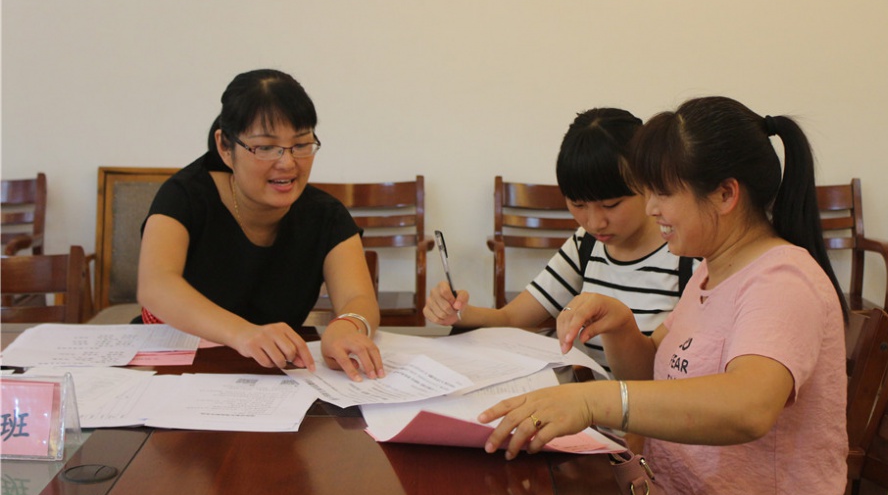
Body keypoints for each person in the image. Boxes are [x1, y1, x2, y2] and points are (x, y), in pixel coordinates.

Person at [478, 96, 849, 495]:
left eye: (662, 192)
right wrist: (621, 327)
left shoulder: (782, 280)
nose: (651, 208)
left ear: (725, 194)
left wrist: (593, 401)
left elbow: (749, 407)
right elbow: (654, 371)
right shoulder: (710, 271)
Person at [137, 69, 384, 381]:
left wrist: (346, 327)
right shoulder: (185, 195)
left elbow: (358, 298)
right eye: (266, 147)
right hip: (175, 367)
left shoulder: (326, 215)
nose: (287, 162)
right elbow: (156, 285)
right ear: (225, 147)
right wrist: (243, 333)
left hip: (273, 375)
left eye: (301, 144)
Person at [424, 107, 694, 369]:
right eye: (578, 204)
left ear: (648, 184)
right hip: (589, 393)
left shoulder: (687, 256)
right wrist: (457, 312)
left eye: (611, 205)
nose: (594, 222)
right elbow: (511, 318)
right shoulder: (586, 244)